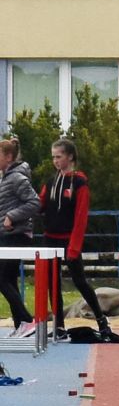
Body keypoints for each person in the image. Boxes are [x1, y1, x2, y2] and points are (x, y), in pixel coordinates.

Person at [38, 138, 115, 341]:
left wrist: (74, 246)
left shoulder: (79, 182)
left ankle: (101, 320)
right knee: (52, 283)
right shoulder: (51, 181)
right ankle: (59, 325)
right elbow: (40, 204)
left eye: (59, 156)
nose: (55, 161)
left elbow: (81, 217)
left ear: (70, 156)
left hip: (68, 240)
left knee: (79, 281)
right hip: (50, 239)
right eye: (53, 157)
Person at [0, 138, 40, 338]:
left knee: (2, 278)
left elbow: (34, 202)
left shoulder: (16, 178)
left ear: (8, 157)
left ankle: (27, 319)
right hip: (8, 235)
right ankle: (21, 324)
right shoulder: (6, 178)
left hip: (17, 234)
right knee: (8, 278)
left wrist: (11, 216)